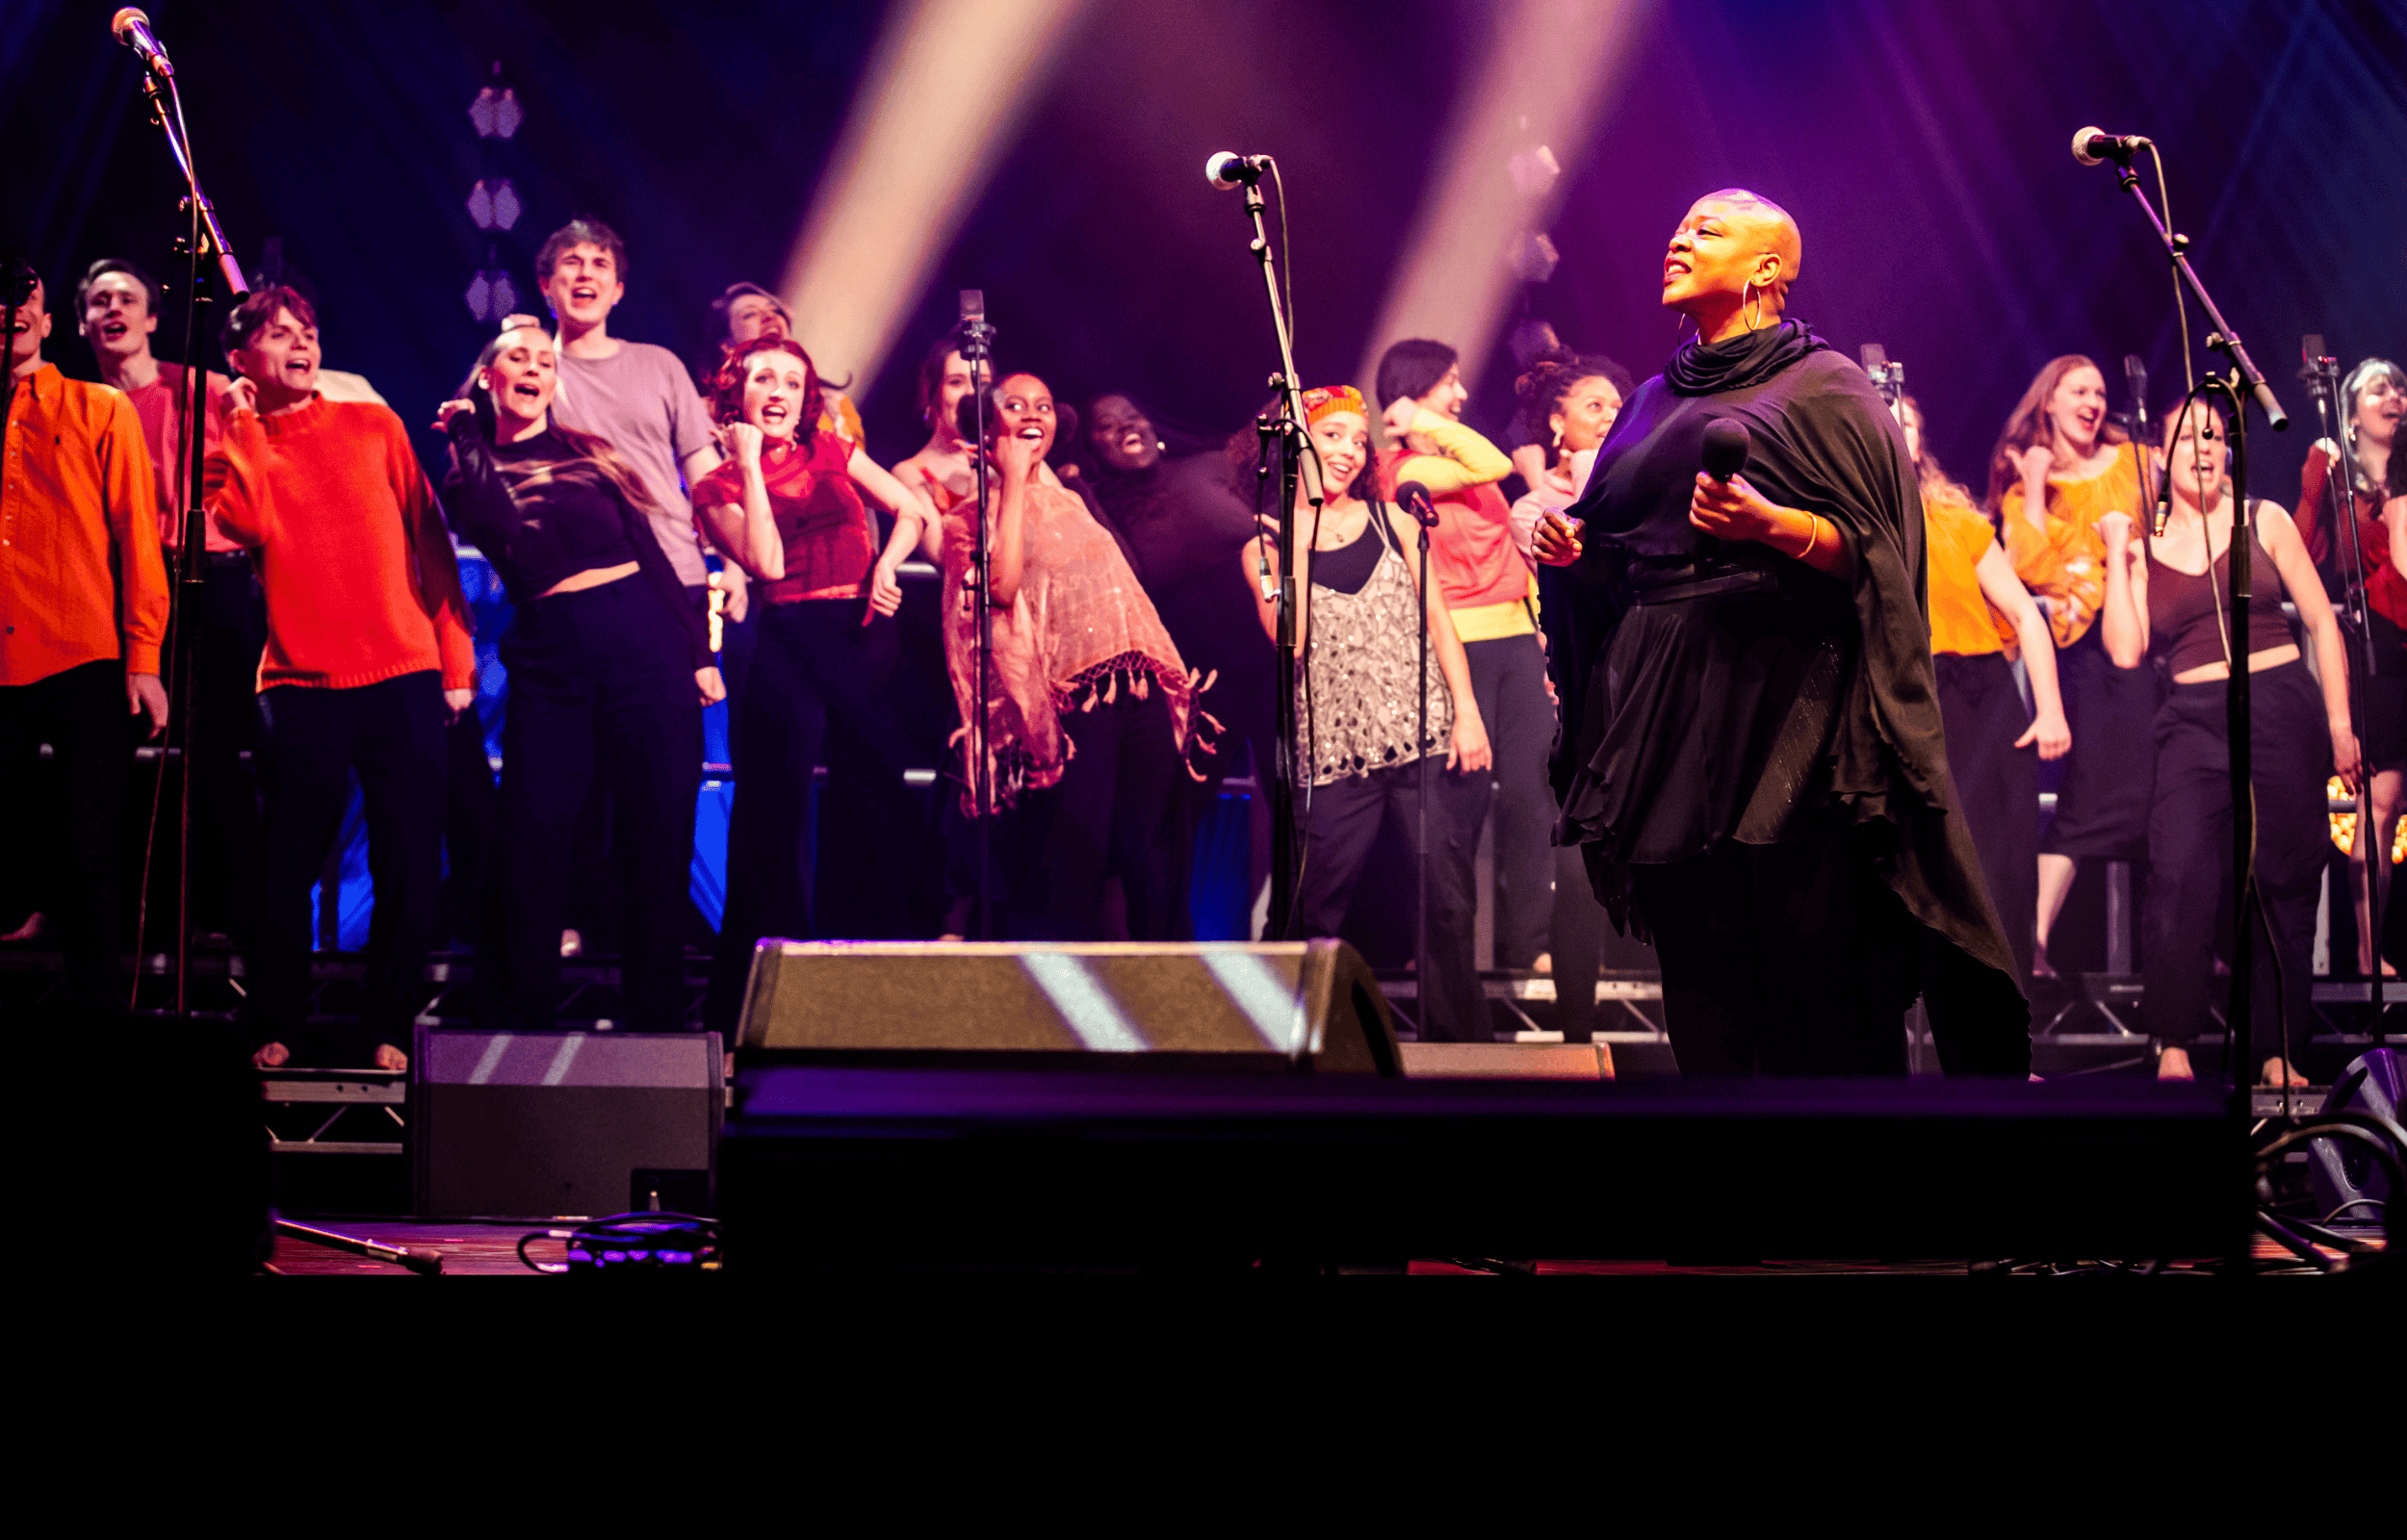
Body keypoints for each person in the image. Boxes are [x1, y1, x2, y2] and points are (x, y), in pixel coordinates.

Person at [1537, 188, 2027, 1076]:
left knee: (1819, 963)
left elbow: (1884, 551)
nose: (1678, 240)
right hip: (1671, 712)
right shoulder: (1649, 401)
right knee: (1702, 965)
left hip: (1791, 695)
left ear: (1767, 270)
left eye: (1706, 231)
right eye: (1678, 225)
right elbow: (1619, 552)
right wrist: (1574, 552)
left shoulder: (1827, 386)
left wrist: (1771, 525)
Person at [205, 285, 477, 1071]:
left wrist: (455, 657)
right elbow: (248, 525)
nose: (300, 343)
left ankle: (389, 1026)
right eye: (279, 333)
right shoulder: (235, 444)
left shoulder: (372, 422)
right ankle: (277, 1022)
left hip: (404, 671)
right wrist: (242, 419)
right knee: (287, 864)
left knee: (407, 860)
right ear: (240, 359)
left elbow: (431, 540)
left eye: (309, 331)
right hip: (299, 682)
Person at [435, 323, 721, 1035]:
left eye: (544, 360)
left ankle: (655, 1027)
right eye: (517, 359)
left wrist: (698, 653)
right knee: (534, 838)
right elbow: (507, 536)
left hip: (644, 639)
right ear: (488, 378)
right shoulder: (466, 468)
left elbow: (653, 553)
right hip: (554, 656)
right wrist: (469, 435)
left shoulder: (591, 452)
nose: (534, 368)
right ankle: (520, 1025)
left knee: (657, 839)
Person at [2097, 400, 2361, 1084]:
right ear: (2162, 451)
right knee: (2181, 873)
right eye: (2188, 436)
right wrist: (2114, 551)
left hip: (2280, 708)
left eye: (2215, 435)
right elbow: (2126, 651)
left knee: (2283, 882)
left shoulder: (2263, 519)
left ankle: (2278, 1051)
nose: (2203, 447)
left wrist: (2339, 724)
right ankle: (2174, 1043)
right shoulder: (2142, 547)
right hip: (2192, 716)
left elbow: (2322, 626)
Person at [694, 337, 938, 1032]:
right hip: (787, 640)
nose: (779, 392)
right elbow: (766, 562)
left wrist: (889, 564)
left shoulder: (832, 448)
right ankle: (750, 1013)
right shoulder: (715, 486)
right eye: (763, 378)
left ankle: (879, 997)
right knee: (770, 824)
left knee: (877, 807)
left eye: (793, 382)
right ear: (736, 392)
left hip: (860, 636)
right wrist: (745, 462)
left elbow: (912, 511)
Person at [1254, 386, 1493, 1040]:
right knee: (1313, 908)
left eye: (1359, 441)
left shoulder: (1399, 523)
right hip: (1332, 754)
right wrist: (1299, 532)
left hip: (1422, 739)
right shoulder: (1268, 545)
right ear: (1299, 443)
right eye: (1333, 437)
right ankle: (1298, 1045)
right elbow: (1291, 639)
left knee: (1447, 907)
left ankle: (1462, 1057)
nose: (1350, 452)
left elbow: (1440, 626)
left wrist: (1466, 714)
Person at [945, 371, 1210, 939]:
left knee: (1154, 857)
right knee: (1073, 860)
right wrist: (1013, 480)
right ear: (988, 430)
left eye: (1042, 405)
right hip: (1071, 705)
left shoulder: (1073, 498)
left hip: (1136, 688)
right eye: (1015, 406)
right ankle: (1056, 1006)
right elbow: (1001, 588)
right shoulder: (968, 516)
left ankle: (1168, 999)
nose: (1032, 415)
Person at [0, 261, 170, 1014]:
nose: (12, 314)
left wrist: (144, 658)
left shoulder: (97, 406)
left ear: (40, 314)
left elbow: (139, 534)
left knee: (90, 848)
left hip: (83, 654)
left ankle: (101, 1026)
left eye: (23, 300)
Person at [75, 257, 261, 945]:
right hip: (116, 590)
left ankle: (217, 917)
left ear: (153, 319)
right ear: (85, 323)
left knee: (214, 757)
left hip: (208, 583)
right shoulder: (82, 407)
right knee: (109, 754)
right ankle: (105, 916)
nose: (113, 308)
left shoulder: (207, 392)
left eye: (127, 297)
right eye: (99, 300)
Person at [1377, 337, 1554, 974]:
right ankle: (1444, 954)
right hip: (1460, 646)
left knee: (1534, 794)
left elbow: (1508, 542)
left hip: (1517, 638)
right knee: (1463, 806)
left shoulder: (1449, 458)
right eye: (1449, 383)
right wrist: (1422, 423)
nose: (1461, 393)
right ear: (1415, 392)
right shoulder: (1401, 474)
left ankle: (1531, 942)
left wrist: (1539, 625)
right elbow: (1491, 463)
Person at [1988, 354, 2154, 977]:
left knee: (2141, 792)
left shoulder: (2132, 465)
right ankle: (2029, 938)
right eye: (2078, 390)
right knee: (2089, 795)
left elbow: (2147, 542)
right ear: (2048, 403)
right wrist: (2033, 484)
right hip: (2070, 652)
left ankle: (2199, 938)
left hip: (2131, 632)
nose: (2092, 401)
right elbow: (2028, 567)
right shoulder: (2027, 480)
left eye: (2099, 392)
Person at [1083, 390, 1278, 905]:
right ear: (1091, 446)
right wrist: (1080, 489)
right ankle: (1161, 944)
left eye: (1133, 413)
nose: (1127, 424)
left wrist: (1283, 403)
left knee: (1295, 799)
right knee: (1175, 810)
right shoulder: (1102, 505)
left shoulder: (1209, 466)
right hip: (1198, 681)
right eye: (1107, 424)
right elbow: (1126, 573)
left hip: (1271, 661)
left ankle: (1297, 934)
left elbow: (1265, 448)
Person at [1905, 395, 2069, 984]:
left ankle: (2007, 1055)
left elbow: (2027, 616)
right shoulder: (1837, 526)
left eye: (1907, 424)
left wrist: (2048, 708)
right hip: (1901, 699)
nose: (1897, 433)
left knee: (1999, 868)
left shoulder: (1956, 522)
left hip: (1980, 695)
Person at [1510, 354, 1626, 1037]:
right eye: (1593, 406)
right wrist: (1591, 477)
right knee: (1580, 873)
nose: (1611, 415)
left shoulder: (1644, 488)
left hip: (1648, 696)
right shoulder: (1534, 504)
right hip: (1580, 704)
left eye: (1618, 405)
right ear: (1557, 424)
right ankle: (1575, 1033)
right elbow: (1570, 549)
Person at [527, 219, 723, 609]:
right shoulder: (529, 374)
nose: (585, 272)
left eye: (600, 263)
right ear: (546, 284)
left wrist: (732, 562)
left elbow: (706, 474)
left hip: (676, 572)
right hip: (580, 585)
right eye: (572, 261)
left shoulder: (659, 364)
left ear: (617, 291)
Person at [2296, 358, 2406, 976]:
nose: (2394, 396)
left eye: (2399, 386)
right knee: (2380, 803)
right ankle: (2368, 952)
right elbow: (2306, 554)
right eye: (2378, 388)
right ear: (2352, 413)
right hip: (2376, 651)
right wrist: (2315, 478)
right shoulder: (2342, 485)